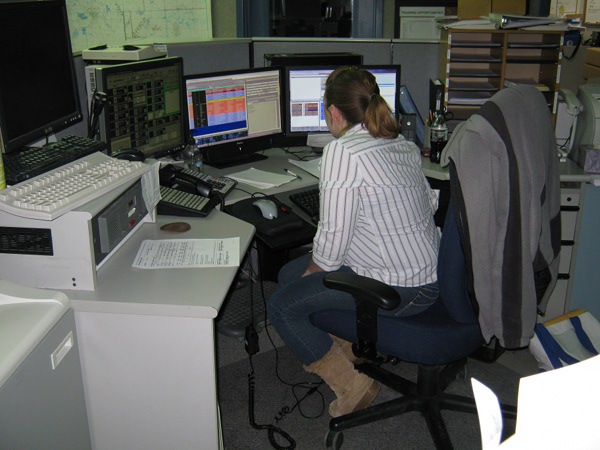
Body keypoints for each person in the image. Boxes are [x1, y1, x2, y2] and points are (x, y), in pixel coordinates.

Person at [266, 67, 440, 418]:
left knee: (282, 306)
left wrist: (311, 275)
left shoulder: (342, 151)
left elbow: (331, 246)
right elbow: (429, 204)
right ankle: (348, 345)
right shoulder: (400, 144)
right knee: (287, 275)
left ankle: (352, 385)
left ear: (332, 111)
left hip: (400, 289)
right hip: (428, 277)